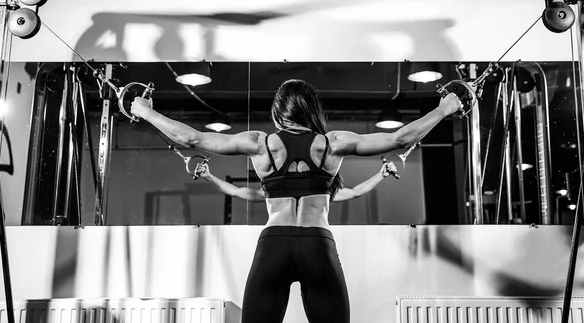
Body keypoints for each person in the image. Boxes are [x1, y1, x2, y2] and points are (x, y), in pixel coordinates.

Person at [130, 78, 462, 323]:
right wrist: (444, 107)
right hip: (317, 244)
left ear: (278, 112)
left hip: (273, 244)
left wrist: (145, 111)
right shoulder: (333, 143)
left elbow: (191, 137)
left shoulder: (260, 143)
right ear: (312, 110)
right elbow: (399, 137)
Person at [195, 159, 399, 202]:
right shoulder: (274, 192)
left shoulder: (323, 193)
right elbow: (236, 191)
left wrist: (381, 174)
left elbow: (356, 191)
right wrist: (208, 176)